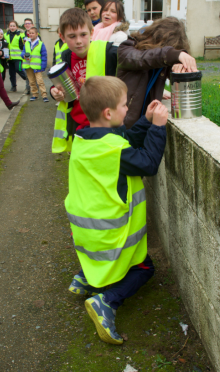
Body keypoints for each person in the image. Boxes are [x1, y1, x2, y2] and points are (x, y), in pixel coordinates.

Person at [65, 76, 168, 344]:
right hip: (109, 236)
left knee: (101, 259)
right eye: (125, 105)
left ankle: (86, 277)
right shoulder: (113, 150)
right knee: (145, 268)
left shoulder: (85, 139)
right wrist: (158, 127)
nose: (127, 109)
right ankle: (106, 302)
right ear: (108, 112)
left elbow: (124, 142)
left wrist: (145, 120)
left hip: (87, 234)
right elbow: (147, 163)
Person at [50, 7, 117, 153]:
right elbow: (58, 84)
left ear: (92, 32)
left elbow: (136, 60)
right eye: (72, 36)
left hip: (104, 125)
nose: (79, 41)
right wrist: (54, 92)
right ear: (62, 37)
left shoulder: (107, 52)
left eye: (83, 34)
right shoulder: (65, 56)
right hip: (77, 124)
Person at [116, 16, 198, 128]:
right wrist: (171, 54)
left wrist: (179, 68)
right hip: (122, 124)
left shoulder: (163, 60)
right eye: (168, 49)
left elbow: (184, 91)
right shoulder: (127, 48)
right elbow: (144, 59)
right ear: (156, 36)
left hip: (145, 126)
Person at [21, 26, 48, 102]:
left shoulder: (41, 44)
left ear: (37, 34)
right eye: (30, 33)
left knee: (40, 81)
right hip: (28, 65)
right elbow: (23, 52)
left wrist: (43, 66)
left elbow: (44, 56)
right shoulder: (26, 43)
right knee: (31, 82)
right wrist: (23, 55)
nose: (31, 34)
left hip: (37, 66)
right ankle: (34, 95)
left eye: (33, 33)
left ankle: (44, 95)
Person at [4, 20, 26, 92]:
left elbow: (25, 43)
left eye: (14, 26)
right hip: (10, 58)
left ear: (17, 27)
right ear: (8, 27)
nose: (12, 27)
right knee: (11, 73)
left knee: (18, 69)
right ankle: (13, 86)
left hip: (18, 57)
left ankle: (28, 80)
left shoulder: (21, 35)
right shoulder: (5, 35)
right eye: (11, 26)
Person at [21, 18, 41, 94]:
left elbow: (40, 46)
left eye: (28, 23)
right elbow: (20, 46)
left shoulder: (37, 35)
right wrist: (23, 54)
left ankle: (36, 90)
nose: (27, 25)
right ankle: (28, 89)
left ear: (32, 24)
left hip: (35, 59)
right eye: (25, 23)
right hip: (26, 59)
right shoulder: (22, 35)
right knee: (28, 76)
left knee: (36, 76)